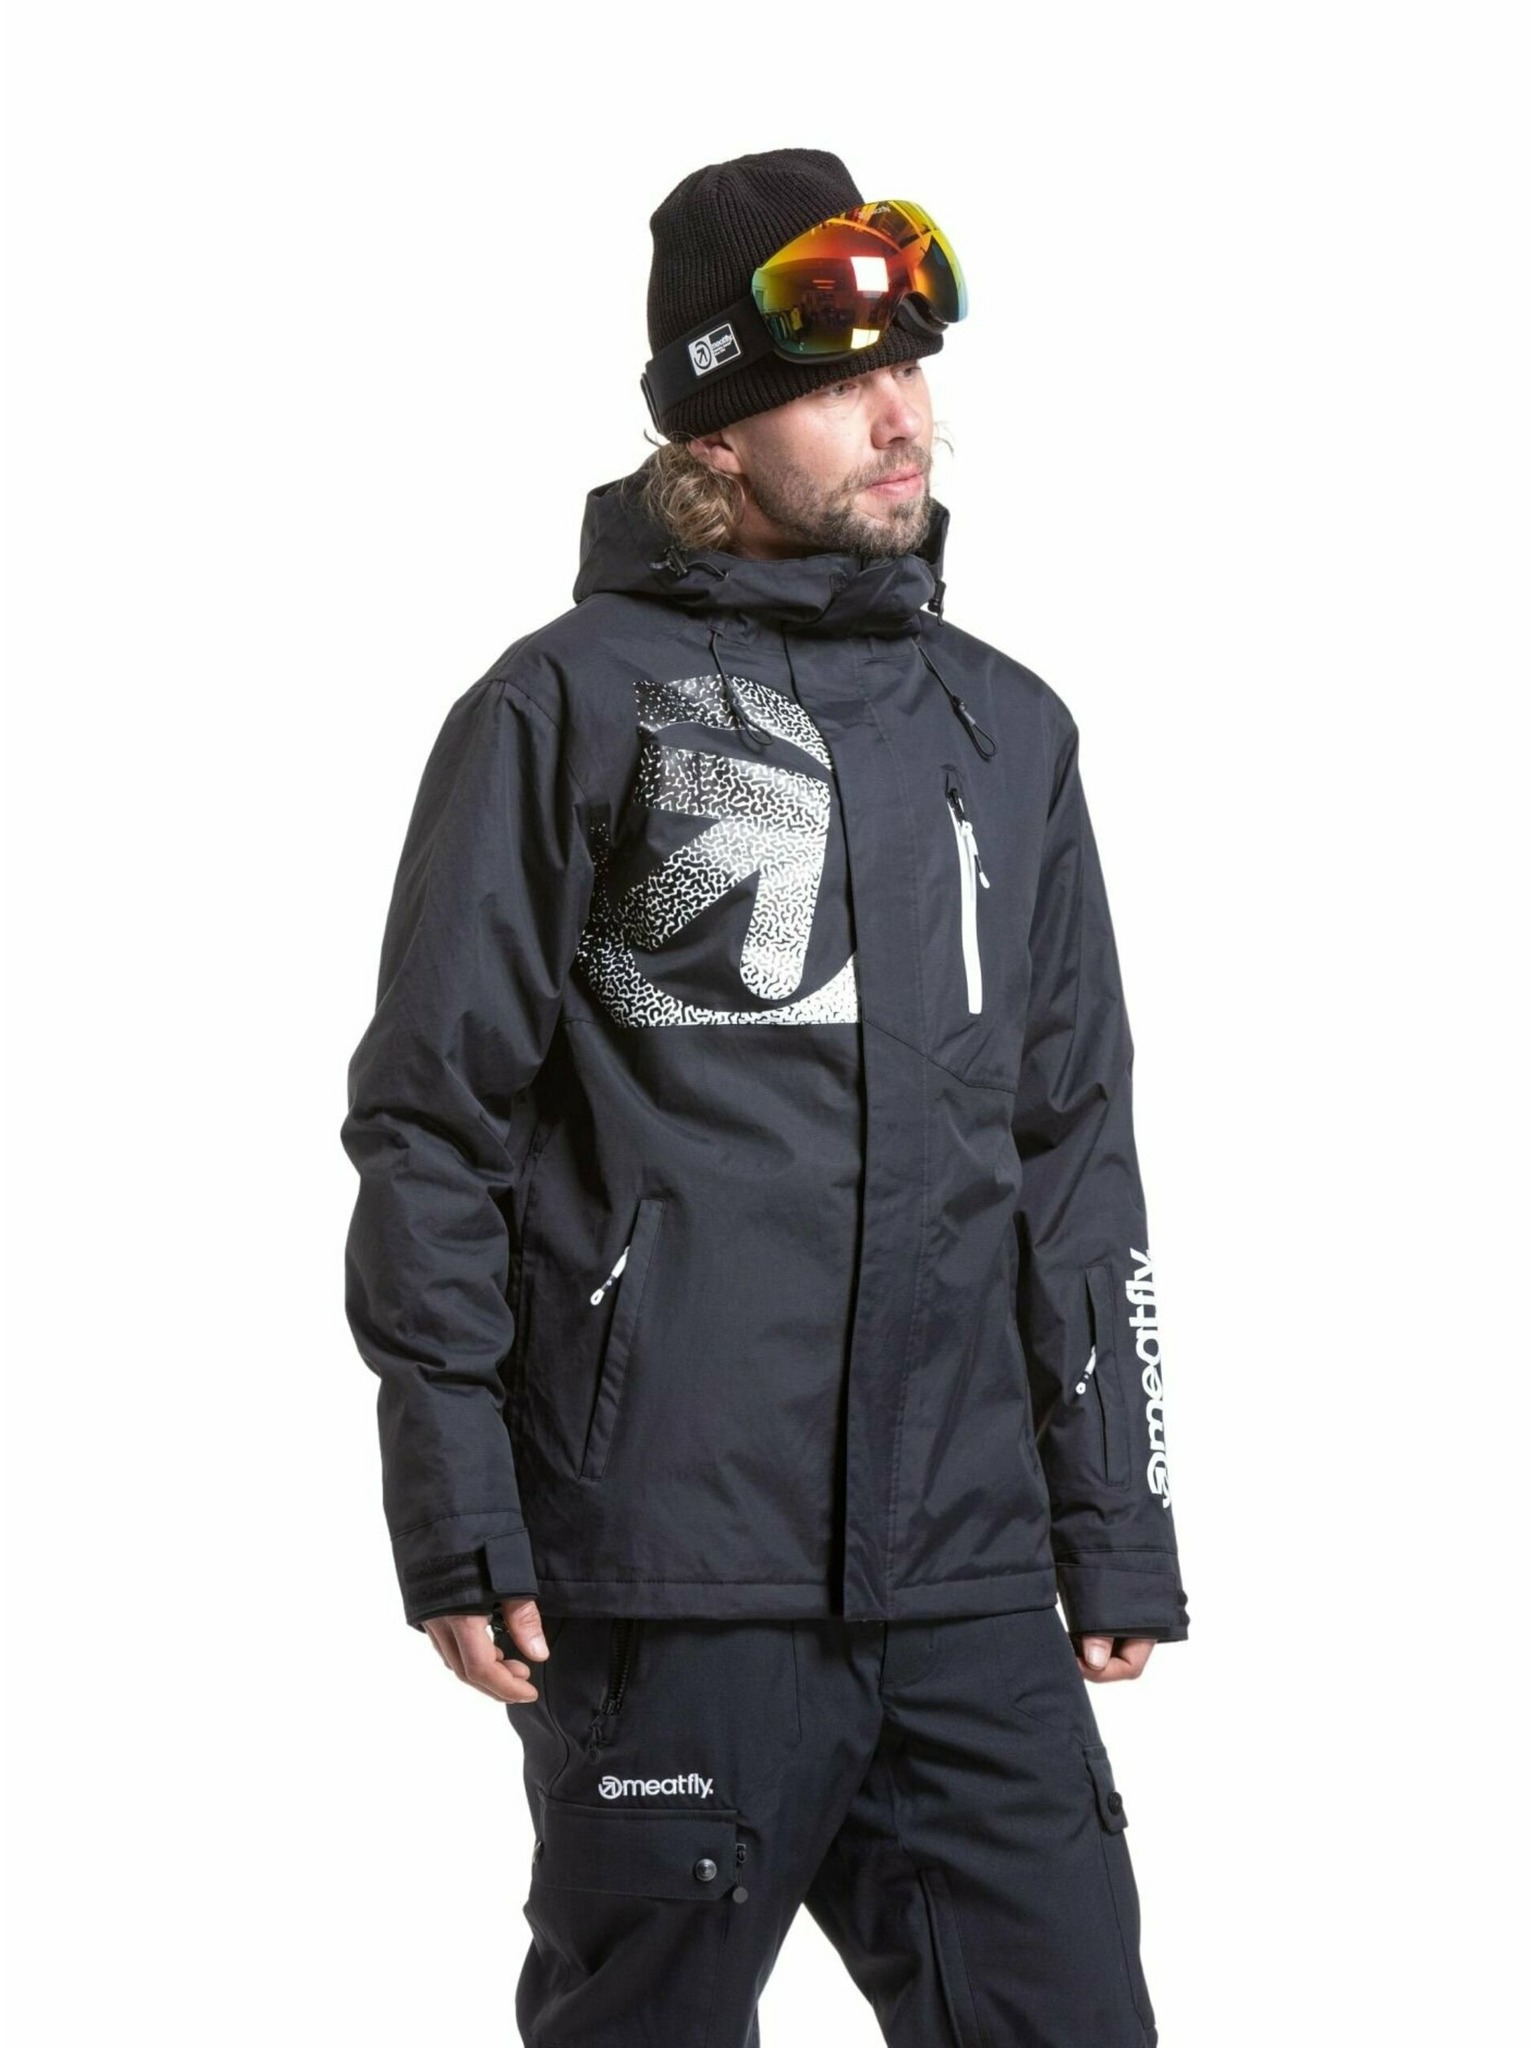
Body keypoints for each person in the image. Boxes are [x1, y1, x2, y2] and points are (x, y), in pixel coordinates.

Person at [341, 147, 1190, 2047]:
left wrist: (1114, 1509)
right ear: (712, 434)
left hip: (970, 1573)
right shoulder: (566, 707)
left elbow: (1073, 1143)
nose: (902, 419)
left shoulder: (1007, 729)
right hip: (672, 1572)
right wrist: (456, 1502)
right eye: (837, 383)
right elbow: (434, 1126)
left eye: (911, 371)